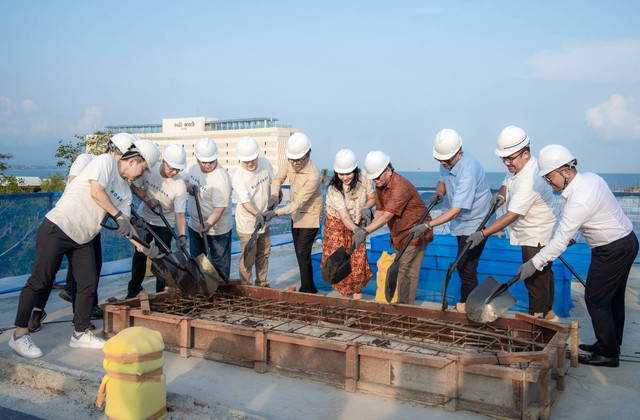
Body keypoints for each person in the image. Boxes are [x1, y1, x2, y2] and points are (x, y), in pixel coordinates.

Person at [9, 139, 162, 358]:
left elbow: (126, 225)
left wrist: (143, 247)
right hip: (59, 227)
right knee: (40, 281)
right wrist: (118, 216)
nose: (142, 174)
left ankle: (80, 333)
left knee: (88, 283)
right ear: (133, 161)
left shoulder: (125, 192)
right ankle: (19, 334)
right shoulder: (106, 162)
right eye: (143, 168)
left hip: (82, 238)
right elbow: (96, 192)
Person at [516, 144, 638, 368]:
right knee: (613, 298)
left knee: (595, 299)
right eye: (545, 178)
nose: (549, 182)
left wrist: (533, 263)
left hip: (611, 249)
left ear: (565, 171)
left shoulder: (579, 200)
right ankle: (610, 344)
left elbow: (559, 242)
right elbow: (598, 214)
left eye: (550, 177)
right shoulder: (591, 179)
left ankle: (608, 354)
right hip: (626, 241)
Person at [28, 133, 137, 333]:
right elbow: (78, 188)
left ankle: (81, 318)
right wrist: (114, 208)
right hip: (67, 224)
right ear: (113, 151)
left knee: (89, 273)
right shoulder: (88, 160)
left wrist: (138, 242)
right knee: (47, 272)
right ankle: (37, 310)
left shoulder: (118, 178)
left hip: (89, 229)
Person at [465, 126, 558, 321]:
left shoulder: (532, 178)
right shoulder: (518, 168)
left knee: (535, 280)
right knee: (543, 276)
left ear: (525, 153)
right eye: (503, 159)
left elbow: (511, 215)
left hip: (538, 235)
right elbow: (507, 183)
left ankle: (538, 320)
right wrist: (500, 195)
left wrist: (482, 234)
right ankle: (548, 314)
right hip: (530, 231)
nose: (507, 163)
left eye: (510, 158)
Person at [409, 128, 491, 311]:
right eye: (440, 160)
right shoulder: (446, 160)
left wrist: (427, 225)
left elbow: (455, 211)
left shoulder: (468, 170)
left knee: (467, 266)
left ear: (459, 153)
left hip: (477, 223)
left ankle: (470, 307)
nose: (443, 163)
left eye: (446, 160)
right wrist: (438, 193)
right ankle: (467, 303)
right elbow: (442, 181)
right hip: (461, 222)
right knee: (463, 265)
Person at [352, 151, 433, 305]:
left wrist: (365, 232)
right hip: (399, 234)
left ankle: (404, 309)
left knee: (407, 272)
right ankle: (402, 306)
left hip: (416, 232)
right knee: (403, 269)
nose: (375, 180)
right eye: (373, 177)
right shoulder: (381, 185)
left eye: (377, 176)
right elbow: (381, 211)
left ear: (388, 170)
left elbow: (386, 216)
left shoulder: (399, 187)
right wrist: (366, 222)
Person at [264, 133, 323, 293]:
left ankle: (307, 290)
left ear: (308, 155)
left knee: (303, 251)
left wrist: (275, 213)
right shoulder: (289, 162)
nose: (295, 164)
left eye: (299, 160)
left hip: (310, 214)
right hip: (295, 214)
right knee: (299, 252)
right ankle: (310, 287)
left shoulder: (314, 175)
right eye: (292, 160)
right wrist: (274, 195)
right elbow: (277, 179)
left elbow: (298, 203)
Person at [126, 144, 188, 298]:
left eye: (178, 170)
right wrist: (148, 200)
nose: (174, 172)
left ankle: (161, 292)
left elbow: (180, 214)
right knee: (140, 254)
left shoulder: (179, 185)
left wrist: (182, 236)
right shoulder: (150, 170)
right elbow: (134, 186)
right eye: (172, 168)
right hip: (145, 218)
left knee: (162, 259)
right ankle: (133, 290)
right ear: (164, 161)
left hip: (165, 223)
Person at [321, 149, 375, 298]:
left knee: (357, 255)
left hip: (358, 218)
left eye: (348, 173)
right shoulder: (333, 189)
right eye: (341, 174)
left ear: (355, 170)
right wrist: (356, 229)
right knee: (338, 257)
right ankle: (344, 292)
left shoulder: (364, 177)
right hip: (337, 222)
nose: (345, 177)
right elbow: (344, 217)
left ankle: (357, 291)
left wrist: (366, 208)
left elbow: (372, 197)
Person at [185, 137, 233, 278]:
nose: (208, 164)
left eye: (211, 161)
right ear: (197, 158)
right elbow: (185, 178)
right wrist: (189, 187)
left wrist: (208, 224)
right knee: (197, 260)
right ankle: (199, 290)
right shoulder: (193, 165)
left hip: (218, 229)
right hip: (195, 225)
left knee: (219, 264)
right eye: (204, 162)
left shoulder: (221, 179)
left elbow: (219, 208)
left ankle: (220, 292)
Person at [232, 136, 275, 287]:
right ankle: (247, 287)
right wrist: (257, 214)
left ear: (257, 155)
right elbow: (245, 202)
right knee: (248, 256)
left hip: (265, 219)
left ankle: (262, 284)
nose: (250, 163)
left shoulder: (265, 163)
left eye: (252, 159)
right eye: (246, 161)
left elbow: (274, 182)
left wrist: (276, 196)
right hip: (248, 223)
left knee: (263, 254)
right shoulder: (238, 176)